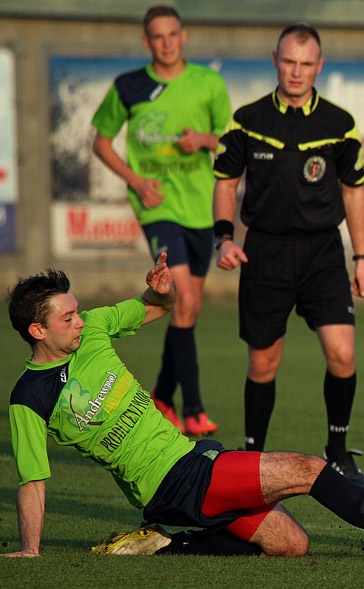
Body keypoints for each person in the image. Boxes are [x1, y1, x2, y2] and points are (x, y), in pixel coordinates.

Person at [2, 256, 364, 560]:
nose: (80, 322)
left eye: (78, 311)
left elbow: (156, 305)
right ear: (38, 332)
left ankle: (169, 542)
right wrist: (30, 549)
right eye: (68, 318)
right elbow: (33, 480)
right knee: (309, 470)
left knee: (291, 545)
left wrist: (162, 287)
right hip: (168, 483)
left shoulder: (96, 327)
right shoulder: (29, 398)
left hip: (190, 459)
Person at [212, 22, 364, 485]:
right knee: (264, 362)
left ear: (319, 66)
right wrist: (224, 239)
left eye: (306, 64)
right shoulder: (247, 119)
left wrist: (361, 258)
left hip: (323, 252)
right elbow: (225, 183)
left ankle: (338, 451)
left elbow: (354, 192)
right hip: (264, 251)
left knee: (342, 353)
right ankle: (250, 460)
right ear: (275, 60)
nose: (297, 72)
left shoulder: (339, 124)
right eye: (289, 62)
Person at [91, 5, 232, 436]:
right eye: (157, 36)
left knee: (188, 308)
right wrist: (136, 180)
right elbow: (100, 142)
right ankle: (193, 410)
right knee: (185, 301)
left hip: (200, 207)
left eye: (172, 34)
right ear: (146, 41)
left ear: (183, 37)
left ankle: (160, 395)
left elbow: (230, 142)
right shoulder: (129, 86)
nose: (166, 42)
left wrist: (204, 140)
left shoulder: (208, 83)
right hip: (157, 209)